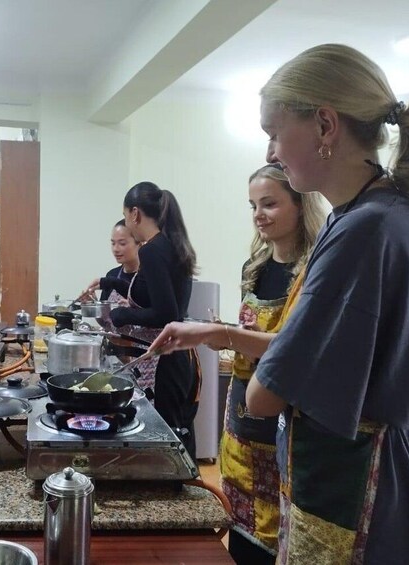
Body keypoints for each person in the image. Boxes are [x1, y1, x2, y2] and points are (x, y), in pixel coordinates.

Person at [243, 44, 409, 564]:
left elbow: (263, 397)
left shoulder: (364, 229)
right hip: (377, 477)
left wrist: (262, 373)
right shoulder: (384, 213)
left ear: (325, 126)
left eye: (274, 132)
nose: (271, 152)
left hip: (362, 495)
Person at [149, 164, 327, 564]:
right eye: (253, 205)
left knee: (281, 536)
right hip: (243, 417)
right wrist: (225, 335)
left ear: (301, 206)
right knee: (242, 528)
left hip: (286, 421)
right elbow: (252, 334)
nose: (258, 214)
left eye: (269, 203)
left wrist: (218, 335)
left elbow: (296, 348)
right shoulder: (255, 268)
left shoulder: (314, 270)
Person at [82, 181, 200, 458]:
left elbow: (165, 313)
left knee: (167, 437)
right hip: (181, 356)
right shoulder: (168, 243)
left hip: (167, 359)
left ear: (135, 214)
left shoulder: (151, 250)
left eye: (125, 217)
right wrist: (107, 281)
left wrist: (122, 315)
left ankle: (176, 492)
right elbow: (145, 292)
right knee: (179, 430)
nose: (127, 224)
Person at [98, 219, 141, 303]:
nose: (115, 249)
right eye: (113, 243)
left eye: (122, 243)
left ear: (139, 244)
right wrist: (92, 305)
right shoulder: (112, 275)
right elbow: (104, 313)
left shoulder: (147, 278)